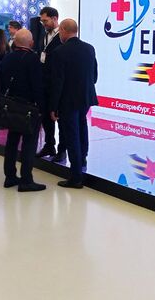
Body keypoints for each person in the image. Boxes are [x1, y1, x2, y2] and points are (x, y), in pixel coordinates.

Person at [49, 19, 98, 188]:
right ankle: (82, 159)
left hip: (68, 100)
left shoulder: (59, 52)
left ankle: (76, 177)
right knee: (82, 127)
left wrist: (53, 106)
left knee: (72, 135)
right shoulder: (89, 48)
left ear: (63, 30)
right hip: (85, 97)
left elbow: (58, 82)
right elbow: (94, 75)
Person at [0, 29, 46, 192]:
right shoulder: (33, 59)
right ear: (30, 43)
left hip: (11, 106)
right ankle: (26, 179)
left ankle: (10, 176)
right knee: (29, 144)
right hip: (29, 108)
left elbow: (1, 82)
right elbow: (37, 86)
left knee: (11, 141)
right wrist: (42, 107)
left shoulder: (7, 58)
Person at [36, 6, 64, 161]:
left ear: (54, 18)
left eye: (45, 20)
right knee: (46, 117)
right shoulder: (43, 35)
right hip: (44, 84)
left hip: (58, 84)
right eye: (42, 21)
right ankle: (49, 144)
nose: (43, 24)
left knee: (60, 117)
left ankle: (62, 149)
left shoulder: (62, 36)